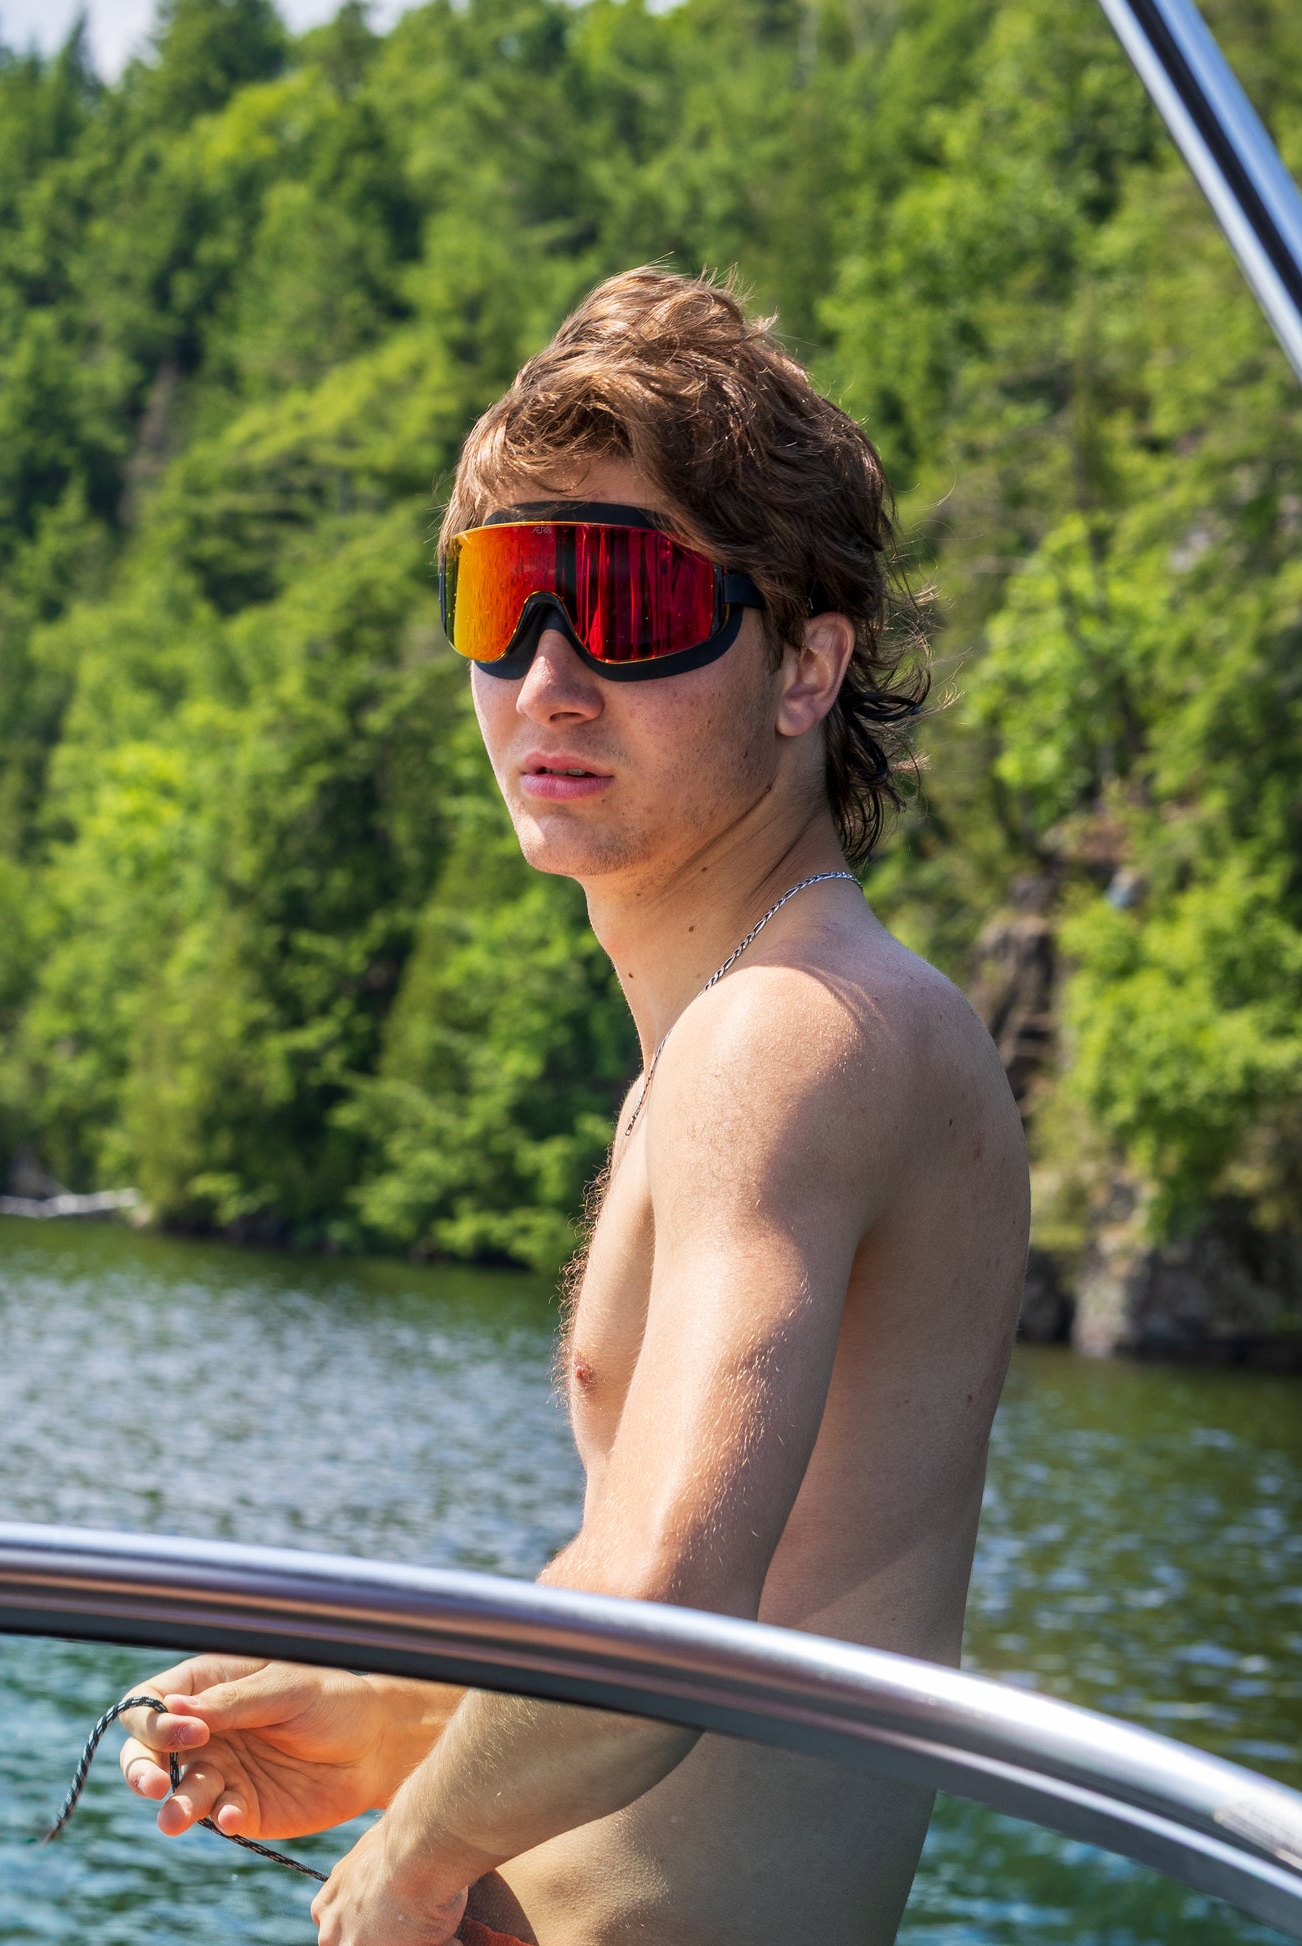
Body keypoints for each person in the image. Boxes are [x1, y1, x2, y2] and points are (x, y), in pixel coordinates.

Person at [117, 267, 1029, 1946]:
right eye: (504, 596)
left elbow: (670, 1619)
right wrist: (395, 1717)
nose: (546, 672)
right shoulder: (760, 1035)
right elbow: (756, 1575)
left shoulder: (783, 1035)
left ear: (805, 665)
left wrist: (406, 1862)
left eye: (624, 597)